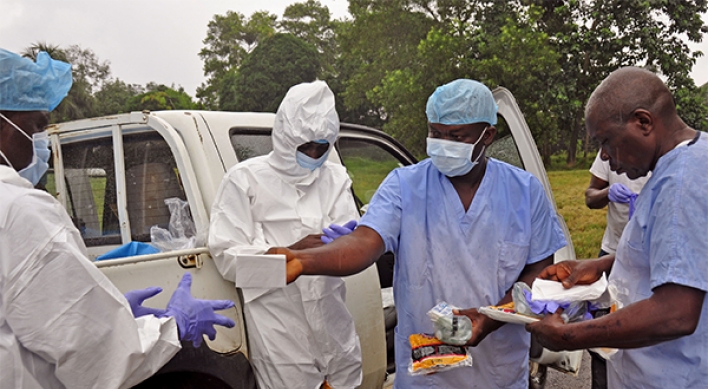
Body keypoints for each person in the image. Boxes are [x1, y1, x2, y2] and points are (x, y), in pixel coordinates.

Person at [268, 79, 567, 388]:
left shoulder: (524, 192)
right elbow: (364, 242)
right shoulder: (404, 185)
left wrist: (488, 318)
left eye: (455, 136)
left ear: (487, 135)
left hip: (497, 370)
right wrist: (304, 260)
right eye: (435, 133)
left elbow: (541, 273)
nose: (442, 142)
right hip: (427, 373)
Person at [0, 48, 235, 388]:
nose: (43, 143)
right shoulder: (20, 210)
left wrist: (107, 313)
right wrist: (172, 323)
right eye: (36, 126)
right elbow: (99, 355)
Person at [526, 66, 708, 388]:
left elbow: (677, 311)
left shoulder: (680, 184)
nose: (605, 157)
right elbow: (681, 256)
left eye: (606, 141)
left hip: (672, 377)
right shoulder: (686, 160)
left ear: (644, 122)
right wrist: (599, 265)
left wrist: (570, 335)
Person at [209, 80, 362, 389]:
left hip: (333, 322)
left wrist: (345, 243)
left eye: (323, 147)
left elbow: (351, 240)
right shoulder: (245, 180)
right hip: (279, 329)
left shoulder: (334, 177)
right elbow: (227, 256)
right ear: (283, 136)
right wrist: (293, 252)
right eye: (306, 147)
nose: (315, 155)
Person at [584, 150, 649, 389]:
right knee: (603, 338)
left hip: (650, 258)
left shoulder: (664, 158)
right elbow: (590, 197)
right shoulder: (610, 152)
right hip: (612, 253)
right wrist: (607, 193)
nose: (606, 153)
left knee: (641, 332)